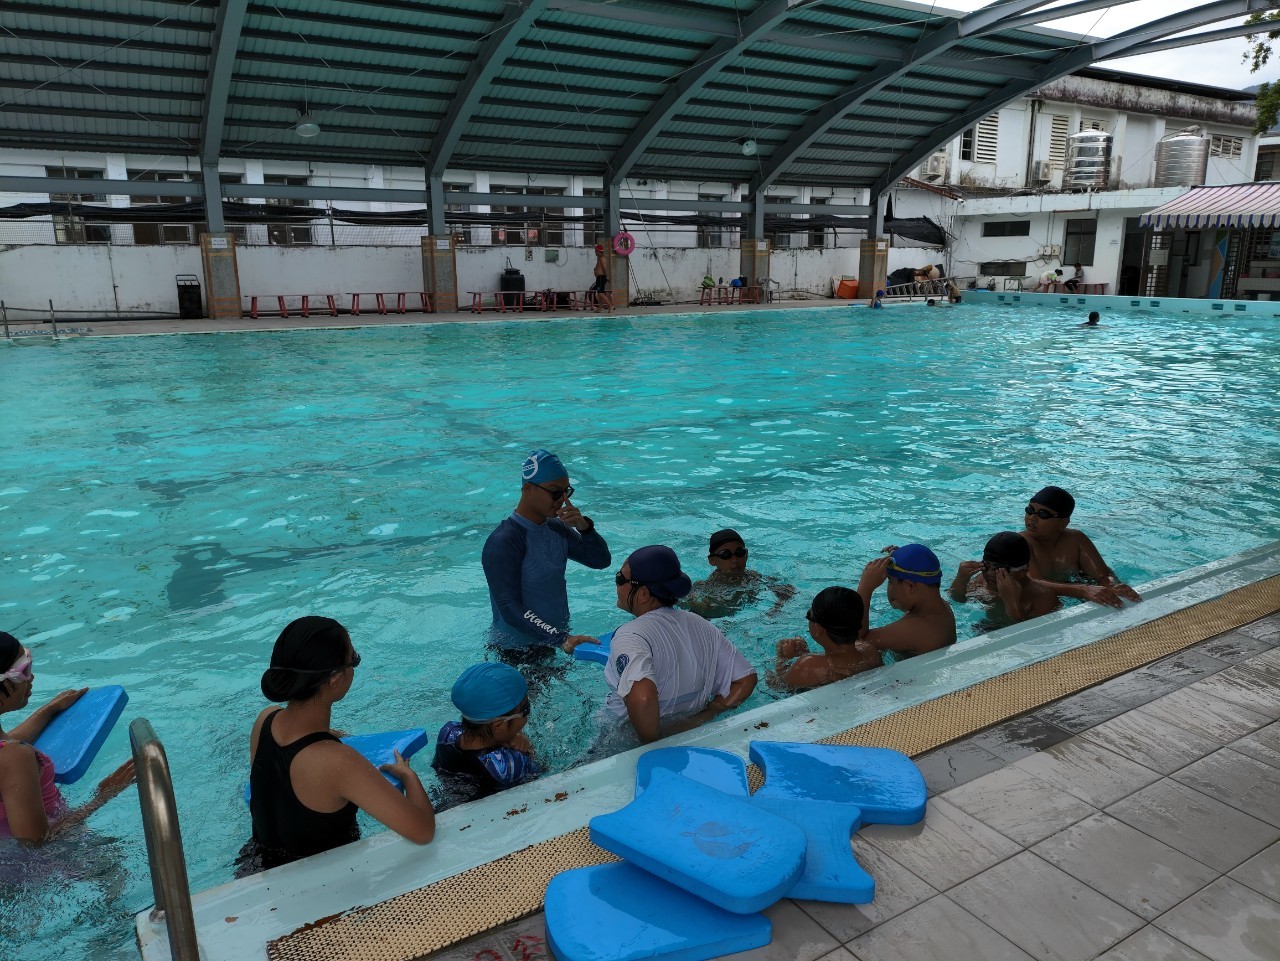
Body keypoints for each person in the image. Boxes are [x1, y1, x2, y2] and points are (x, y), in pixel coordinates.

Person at [241, 617, 435, 873]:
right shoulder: (338, 761)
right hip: (322, 882)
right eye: (353, 659)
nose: (354, 666)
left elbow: (282, 782)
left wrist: (325, 735)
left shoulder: (265, 720)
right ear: (335, 678)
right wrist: (409, 776)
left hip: (255, 866)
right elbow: (423, 831)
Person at [564, 546, 756, 745]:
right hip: (691, 738)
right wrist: (705, 715)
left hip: (624, 743)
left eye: (620, 579)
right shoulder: (702, 625)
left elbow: (643, 698)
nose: (617, 585)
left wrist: (653, 744)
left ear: (643, 593)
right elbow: (746, 679)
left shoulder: (629, 635)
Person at [0, 632, 135, 842]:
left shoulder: (8, 752)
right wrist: (102, 796)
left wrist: (49, 709)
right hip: (59, 857)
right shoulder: (15, 757)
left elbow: (10, 741)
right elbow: (36, 843)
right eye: (24, 670)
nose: (32, 677)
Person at [482, 449, 609, 660]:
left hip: (555, 642)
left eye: (566, 492)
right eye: (555, 492)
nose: (562, 500)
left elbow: (601, 561)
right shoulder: (504, 541)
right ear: (528, 489)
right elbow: (509, 607)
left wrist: (585, 528)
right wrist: (559, 638)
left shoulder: (557, 528)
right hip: (516, 651)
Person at [432, 663, 539, 809]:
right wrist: (528, 750)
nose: (528, 713)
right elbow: (542, 775)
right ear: (498, 725)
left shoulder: (447, 734)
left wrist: (508, 735)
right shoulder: (508, 764)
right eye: (525, 709)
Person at [1020, 486, 1142, 608]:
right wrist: (1083, 590)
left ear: (1063, 523)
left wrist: (1111, 585)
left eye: (1043, 514)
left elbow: (1103, 574)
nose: (1032, 518)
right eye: (1029, 510)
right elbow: (1034, 583)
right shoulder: (1020, 543)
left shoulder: (1075, 539)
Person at [856, 544, 957, 663]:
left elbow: (854, 641)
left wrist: (865, 587)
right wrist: (904, 557)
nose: (889, 586)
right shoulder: (941, 607)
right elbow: (902, 601)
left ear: (910, 587)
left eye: (890, 581)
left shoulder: (912, 630)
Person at [772, 587, 881, 690]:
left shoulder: (808, 665)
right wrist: (805, 654)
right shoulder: (870, 651)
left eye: (809, 615)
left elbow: (777, 686)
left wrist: (783, 659)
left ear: (818, 628)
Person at [950, 532, 1060, 628]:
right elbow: (958, 600)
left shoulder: (1043, 598)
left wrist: (1011, 603)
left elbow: (1033, 637)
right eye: (986, 565)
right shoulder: (981, 581)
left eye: (999, 569)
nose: (990, 573)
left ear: (1023, 570)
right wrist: (961, 580)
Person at [684, 529, 796, 619]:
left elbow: (789, 590)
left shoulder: (753, 578)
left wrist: (775, 610)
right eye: (725, 555)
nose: (734, 560)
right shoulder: (703, 588)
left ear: (746, 555)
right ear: (712, 561)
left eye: (739, 552)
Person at [588, 243, 609, 309]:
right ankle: (600, 307)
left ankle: (610, 306)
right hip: (599, 278)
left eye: (596, 251)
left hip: (601, 277)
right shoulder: (599, 258)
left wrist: (606, 277)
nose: (595, 252)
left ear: (599, 251)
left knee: (601, 293)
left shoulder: (602, 258)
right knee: (599, 293)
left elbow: (604, 268)